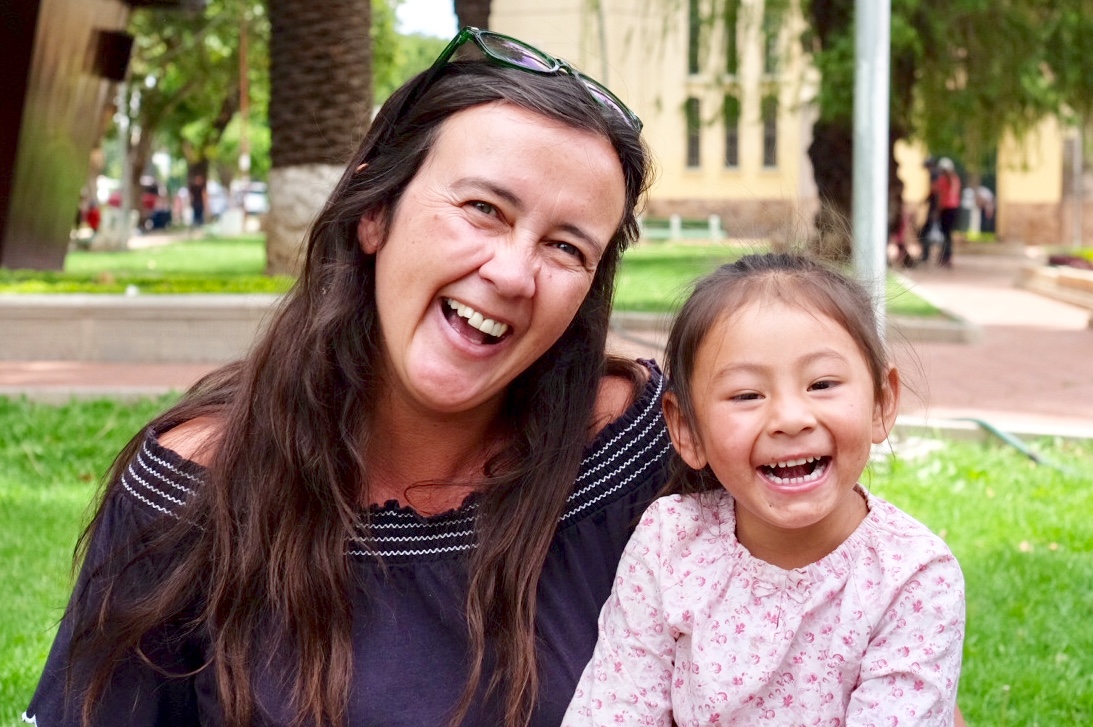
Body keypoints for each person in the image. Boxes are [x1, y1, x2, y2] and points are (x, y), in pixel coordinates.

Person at [23, 28, 667, 727]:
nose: (513, 274)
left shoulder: (650, 455)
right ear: (374, 213)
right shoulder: (190, 495)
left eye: (566, 246)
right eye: (483, 209)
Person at [564, 253, 966, 726]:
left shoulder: (913, 576)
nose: (790, 419)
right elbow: (615, 708)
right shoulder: (669, 541)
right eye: (747, 394)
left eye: (822, 384)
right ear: (687, 429)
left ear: (881, 402)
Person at [935, 157, 962, 267]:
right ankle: (946, 256)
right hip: (954, 209)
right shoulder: (955, 179)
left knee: (945, 235)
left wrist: (937, 211)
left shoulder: (943, 180)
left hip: (946, 209)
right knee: (948, 235)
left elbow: (940, 196)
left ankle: (945, 257)